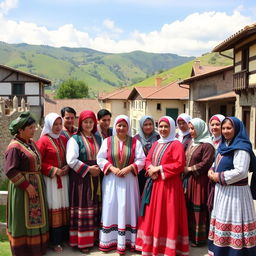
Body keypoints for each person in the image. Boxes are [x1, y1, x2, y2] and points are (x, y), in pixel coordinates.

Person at [136, 116, 189, 256]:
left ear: (172, 128)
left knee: (167, 215)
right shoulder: (156, 143)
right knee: (153, 215)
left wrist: (158, 169)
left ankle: (167, 248)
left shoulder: (176, 144)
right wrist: (150, 169)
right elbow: (148, 159)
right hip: (155, 185)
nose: (163, 129)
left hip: (169, 187)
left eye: (166, 127)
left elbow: (179, 165)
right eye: (161, 126)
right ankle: (153, 245)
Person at [97, 115, 145, 255]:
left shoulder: (135, 142)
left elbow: (141, 159)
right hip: (112, 180)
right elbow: (100, 158)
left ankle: (128, 241)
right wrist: (112, 168)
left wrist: (129, 168)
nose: (121, 128)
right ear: (115, 126)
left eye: (124, 125)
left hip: (129, 181)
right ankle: (110, 240)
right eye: (119, 125)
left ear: (128, 127)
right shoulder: (107, 141)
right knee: (112, 206)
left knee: (127, 206)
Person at [208, 117, 256, 256]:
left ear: (237, 129)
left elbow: (241, 171)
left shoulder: (242, 147)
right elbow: (217, 161)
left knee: (234, 221)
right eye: (224, 128)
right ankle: (221, 251)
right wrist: (212, 169)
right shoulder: (224, 145)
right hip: (223, 192)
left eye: (229, 128)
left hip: (236, 195)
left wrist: (218, 176)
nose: (225, 131)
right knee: (223, 220)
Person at [4, 111, 49, 256]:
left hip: (36, 188)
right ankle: (24, 251)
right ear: (20, 130)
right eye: (31, 128)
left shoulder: (30, 143)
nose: (34, 130)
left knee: (36, 220)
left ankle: (37, 249)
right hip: (22, 191)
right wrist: (27, 186)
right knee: (23, 221)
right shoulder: (14, 147)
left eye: (34, 127)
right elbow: (10, 171)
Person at [66, 110, 102, 253]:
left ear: (94, 123)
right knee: (84, 207)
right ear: (80, 123)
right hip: (81, 179)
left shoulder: (98, 139)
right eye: (85, 122)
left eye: (91, 122)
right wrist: (88, 169)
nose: (88, 124)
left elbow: (104, 155)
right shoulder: (75, 139)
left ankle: (95, 238)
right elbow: (71, 160)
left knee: (95, 208)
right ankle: (82, 242)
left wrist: (99, 167)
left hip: (97, 177)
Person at [36, 113, 69, 252]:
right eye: (55, 124)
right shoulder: (43, 140)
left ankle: (63, 238)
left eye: (59, 124)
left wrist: (68, 166)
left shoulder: (64, 138)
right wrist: (53, 170)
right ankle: (53, 241)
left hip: (64, 178)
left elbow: (70, 156)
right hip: (51, 181)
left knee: (64, 206)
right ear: (49, 124)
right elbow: (38, 161)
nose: (58, 127)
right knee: (54, 206)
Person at [185, 118, 215, 246]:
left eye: (193, 128)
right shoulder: (192, 142)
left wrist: (190, 169)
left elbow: (206, 163)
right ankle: (190, 235)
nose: (191, 131)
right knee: (190, 206)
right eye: (190, 128)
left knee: (198, 207)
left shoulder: (207, 144)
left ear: (200, 128)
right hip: (190, 180)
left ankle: (199, 239)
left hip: (200, 181)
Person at [134, 115, 159, 195]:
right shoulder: (136, 139)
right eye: (145, 125)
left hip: (155, 172)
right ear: (141, 126)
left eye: (150, 124)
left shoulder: (159, 138)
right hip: (140, 173)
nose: (148, 127)